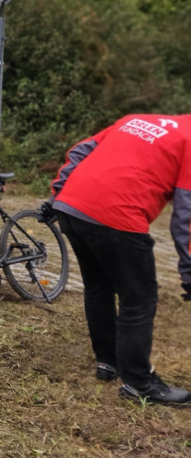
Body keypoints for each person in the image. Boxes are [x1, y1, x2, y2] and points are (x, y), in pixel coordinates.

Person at [47, 114, 191, 407]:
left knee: (98, 287)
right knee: (138, 298)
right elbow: (186, 217)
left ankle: (108, 362)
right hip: (118, 215)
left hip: (72, 206)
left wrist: (57, 195)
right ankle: (138, 382)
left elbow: (80, 150)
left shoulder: (137, 119)